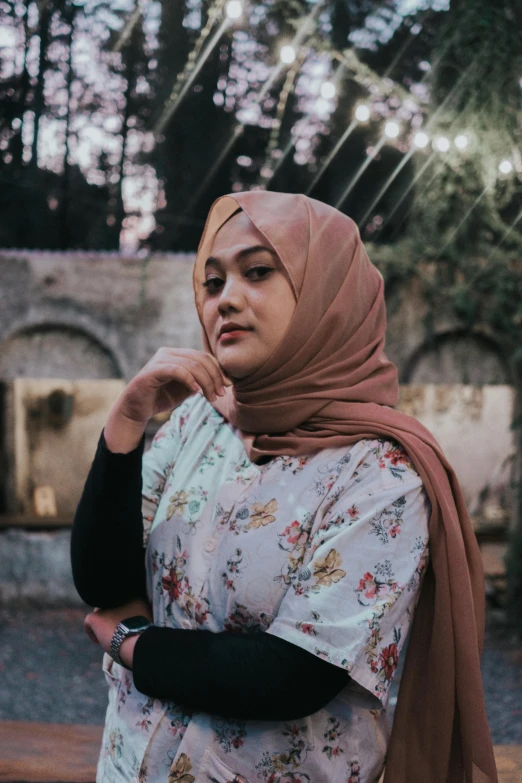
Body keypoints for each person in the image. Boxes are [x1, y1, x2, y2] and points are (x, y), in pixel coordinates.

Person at [71, 190, 497, 783]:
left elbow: (292, 674)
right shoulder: (201, 421)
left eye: (258, 272)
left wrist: (132, 645)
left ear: (329, 295)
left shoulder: (381, 472)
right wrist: (126, 420)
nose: (226, 300)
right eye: (213, 282)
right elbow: (103, 579)